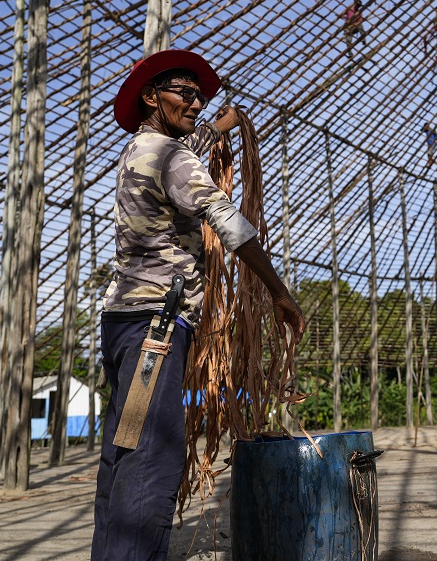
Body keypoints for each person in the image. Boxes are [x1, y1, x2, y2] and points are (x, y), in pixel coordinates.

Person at [93, 49, 305, 560]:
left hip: (124, 324)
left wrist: (218, 127)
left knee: (124, 451)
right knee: (151, 461)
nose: (195, 103)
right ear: (152, 97)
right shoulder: (172, 155)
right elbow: (227, 221)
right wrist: (279, 293)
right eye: (185, 94)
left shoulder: (140, 149)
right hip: (156, 330)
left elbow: (186, 146)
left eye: (200, 97)